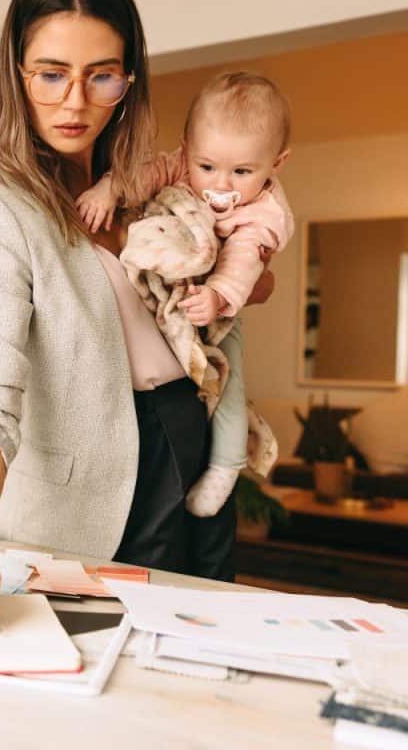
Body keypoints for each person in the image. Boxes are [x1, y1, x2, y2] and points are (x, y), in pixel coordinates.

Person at [0, 0, 274, 631]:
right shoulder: (1, 210)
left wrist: (239, 282)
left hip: (192, 437)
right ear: (17, 74)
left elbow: (244, 260)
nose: (75, 103)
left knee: (206, 650)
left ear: (129, 79)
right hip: (105, 478)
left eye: (102, 76)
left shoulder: (149, 185)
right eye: (51, 74)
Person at [76, 71, 295, 518]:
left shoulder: (265, 213)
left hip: (220, 307)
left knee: (230, 385)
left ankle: (228, 461)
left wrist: (217, 295)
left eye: (242, 171)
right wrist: (109, 188)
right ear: (188, 149)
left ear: (276, 164)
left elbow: (245, 262)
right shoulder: (180, 165)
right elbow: (147, 173)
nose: (220, 185)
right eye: (207, 166)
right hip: (167, 322)